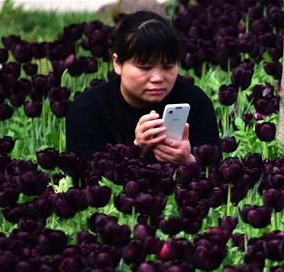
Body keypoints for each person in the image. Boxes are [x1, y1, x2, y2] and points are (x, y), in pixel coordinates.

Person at [66, 11, 219, 164]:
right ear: (117, 64)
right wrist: (135, 150)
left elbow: (217, 173)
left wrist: (189, 161)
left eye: (168, 66)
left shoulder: (195, 102)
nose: (158, 78)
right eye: (145, 67)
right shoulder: (88, 109)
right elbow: (84, 177)